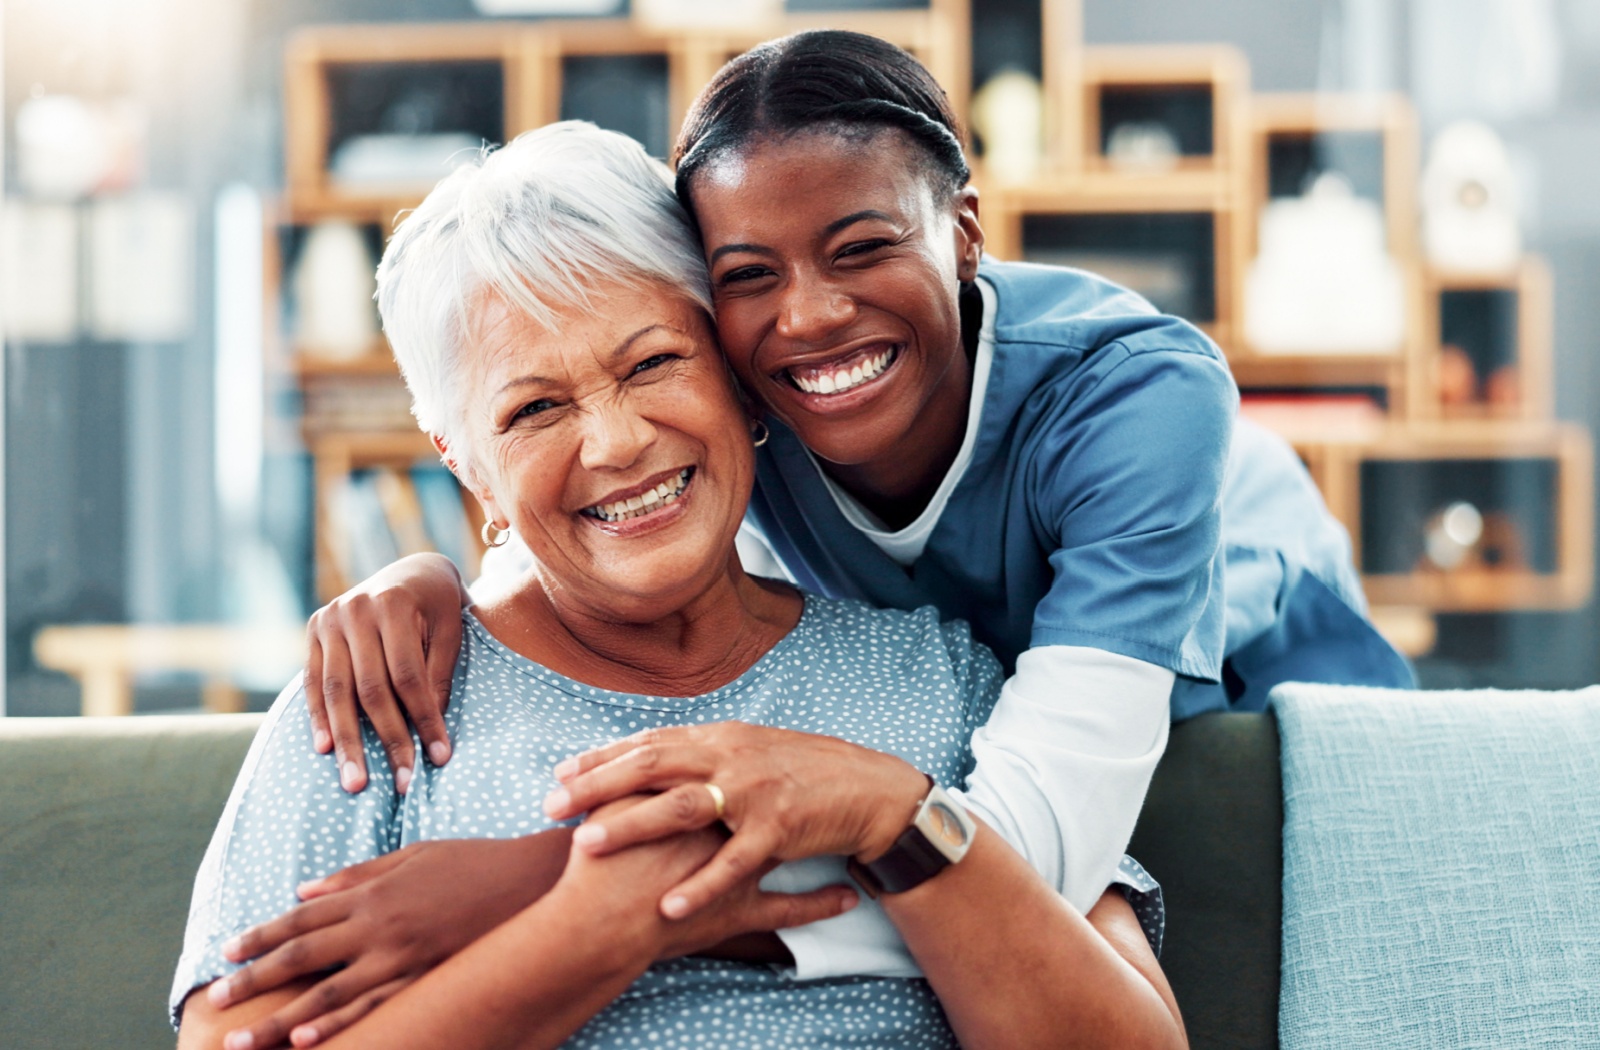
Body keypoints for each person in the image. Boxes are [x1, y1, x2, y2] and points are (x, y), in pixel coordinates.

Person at [304, 24, 1412, 925]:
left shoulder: (1132, 397)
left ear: (964, 233)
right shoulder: (746, 404)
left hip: (1248, 652)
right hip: (1002, 716)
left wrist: (535, 888)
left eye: (862, 247)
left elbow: (1034, 861)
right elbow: (609, 532)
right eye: (749, 274)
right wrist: (440, 580)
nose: (811, 318)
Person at [170, 121, 1185, 1050]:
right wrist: (604, 920)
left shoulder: (928, 676)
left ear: (734, 376)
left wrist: (894, 815)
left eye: (652, 363)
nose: (614, 442)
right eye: (532, 411)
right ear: (464, 461)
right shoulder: (379, 698)